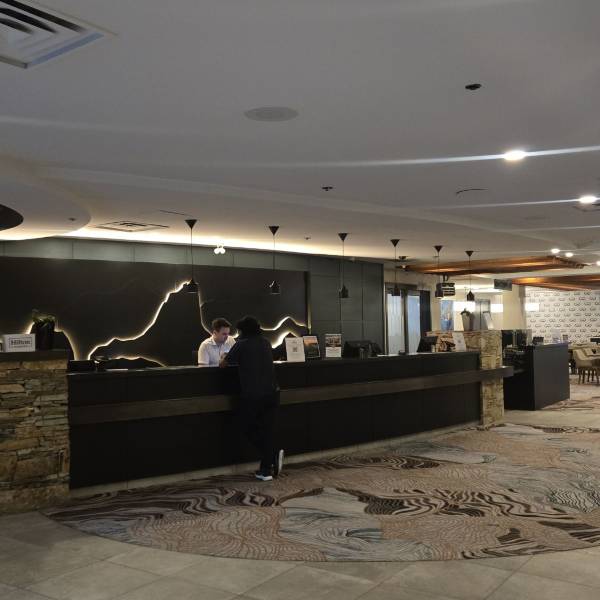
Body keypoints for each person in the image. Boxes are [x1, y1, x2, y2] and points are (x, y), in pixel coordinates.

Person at [220, 315, 284, 481]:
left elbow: (223, 364)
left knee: (246, 427)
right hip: (272, 393)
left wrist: (224, 356)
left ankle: (271, 456)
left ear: (243, 331)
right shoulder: (265, 342)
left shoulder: (241, 344)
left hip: (253, 394)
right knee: (267, 430)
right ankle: (266, 470)